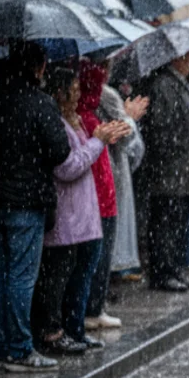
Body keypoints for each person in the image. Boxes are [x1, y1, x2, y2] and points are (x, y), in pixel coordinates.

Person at [0, 44, 71, 372]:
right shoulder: (40, 102)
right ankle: (20, 348)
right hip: (25, 202)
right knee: (21, 277)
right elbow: (60, 150)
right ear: (39, 68)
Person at [32, 68, 129, 355]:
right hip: (67, 217)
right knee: (59, 280)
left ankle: (74, 329)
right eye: (72, 89)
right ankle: (54, 332)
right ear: (60, 92)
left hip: (83, 216)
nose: (78, 95)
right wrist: (98, 140)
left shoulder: (76, 121)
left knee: (79, 275)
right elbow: (69, 166)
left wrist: (100, 137)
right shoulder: (59, 123)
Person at [134, 50, 189, 292]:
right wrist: (174, 151)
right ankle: (162, 273)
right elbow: (161, 128)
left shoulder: (180, 85)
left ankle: (173, 269)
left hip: (182, 172)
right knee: (164, 224)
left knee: (176, 224)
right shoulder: (165, 85)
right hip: (169, 172)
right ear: (178, 58)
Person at [76, 61, 122, 331]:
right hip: (96, 199)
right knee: (93, 259)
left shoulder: (87, 115)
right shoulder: (85, 118)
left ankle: (93, 307)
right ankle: (89, 309)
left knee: (97, 258)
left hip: (102, 197)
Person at [101, 81, 146, 281]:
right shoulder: (106, 94)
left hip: (112, 167)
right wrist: (130, 118)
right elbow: (126, 134)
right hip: (111, 168)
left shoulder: (104, 92)